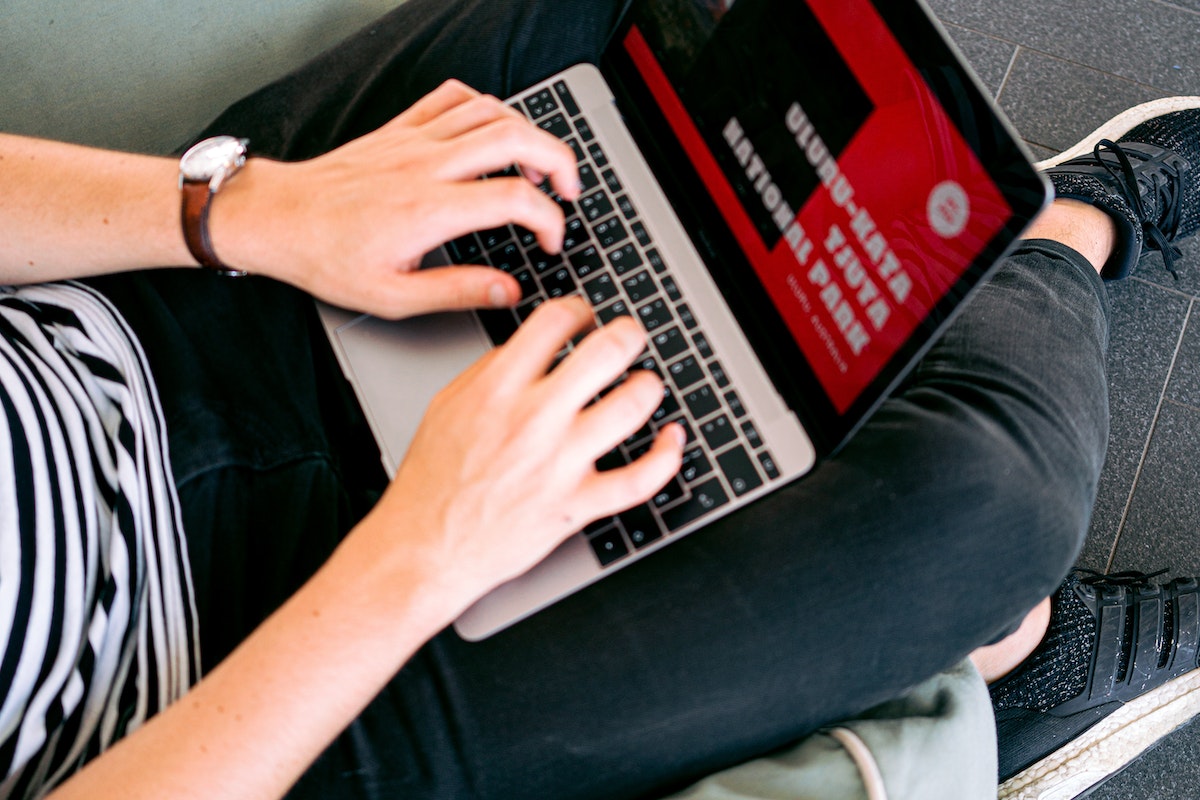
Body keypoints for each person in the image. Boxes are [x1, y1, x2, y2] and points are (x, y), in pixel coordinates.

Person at [1, 0, 1198, 797]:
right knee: (992, 497)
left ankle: (929, 308)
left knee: (620, 51)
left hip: (148, 317)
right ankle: (1053, 246)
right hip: (246, 693)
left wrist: (241, 211)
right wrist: (417, 555)